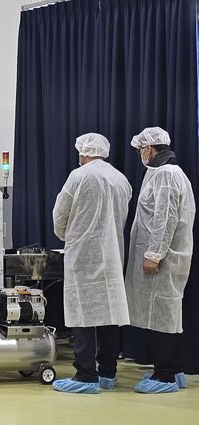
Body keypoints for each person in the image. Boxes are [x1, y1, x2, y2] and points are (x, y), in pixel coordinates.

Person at [51, 133, 132, 394]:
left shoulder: (79, 176)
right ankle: (107, 373)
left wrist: (69, 235)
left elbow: (60, 216)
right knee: (109, 314)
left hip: (84, 255)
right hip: (113, 254)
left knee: (82, 314)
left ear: (83, 152)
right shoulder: (121, 179)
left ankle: (85, 375)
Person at [125, 127, 196, 394]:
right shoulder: (168, 173)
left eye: (140, 150)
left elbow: (165, 218)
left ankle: (164, 375)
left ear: (148, 148)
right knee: (167, 315)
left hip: (163, 259)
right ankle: (174, 370)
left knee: (160, 316)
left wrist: (154, 254)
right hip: (170, 256)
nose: (140, 154)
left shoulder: (165, 174)